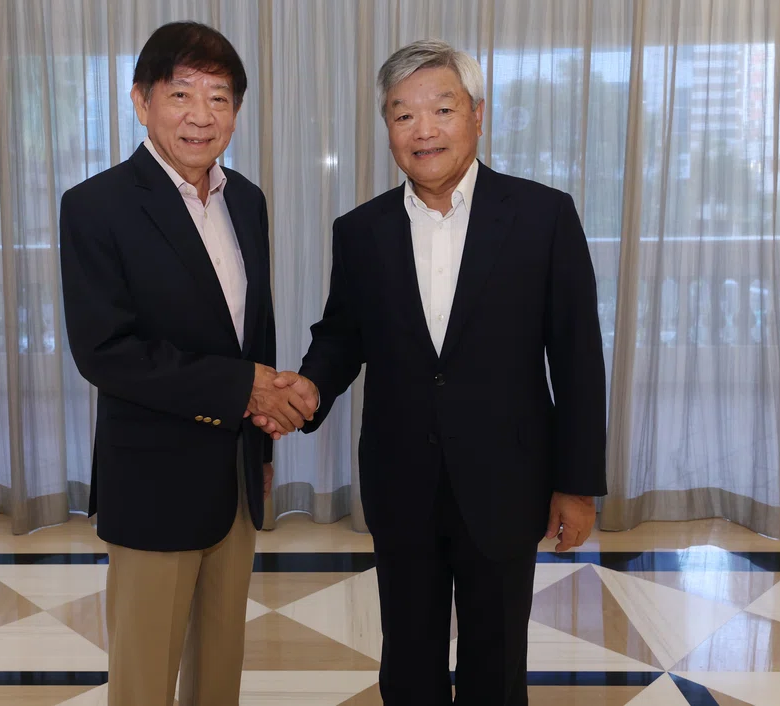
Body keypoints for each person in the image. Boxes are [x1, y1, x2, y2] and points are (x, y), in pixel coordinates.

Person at [254, 39, 607, 705]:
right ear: (387, 127)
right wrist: (305, 389)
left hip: (507, 479)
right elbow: (340, 337)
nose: (424, 130)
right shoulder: (361, 231)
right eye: (402, 115)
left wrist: (578, 485)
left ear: (477, 114)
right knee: (408, 660)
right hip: (402, 479)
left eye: (441, 109)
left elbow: (578, 357)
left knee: (496, 663)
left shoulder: (542, 217)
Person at [59, 21, 313, 706]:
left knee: (219, 663)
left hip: (233, 476)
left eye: (220, 98)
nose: (202, 116)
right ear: (141, 101)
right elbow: (105, 352)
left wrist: (260, 435)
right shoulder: (96, 207)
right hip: (151, 479)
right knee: (145, 675)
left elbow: (254, 331)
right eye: (182, 94)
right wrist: (246, 388)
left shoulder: (248, 201)